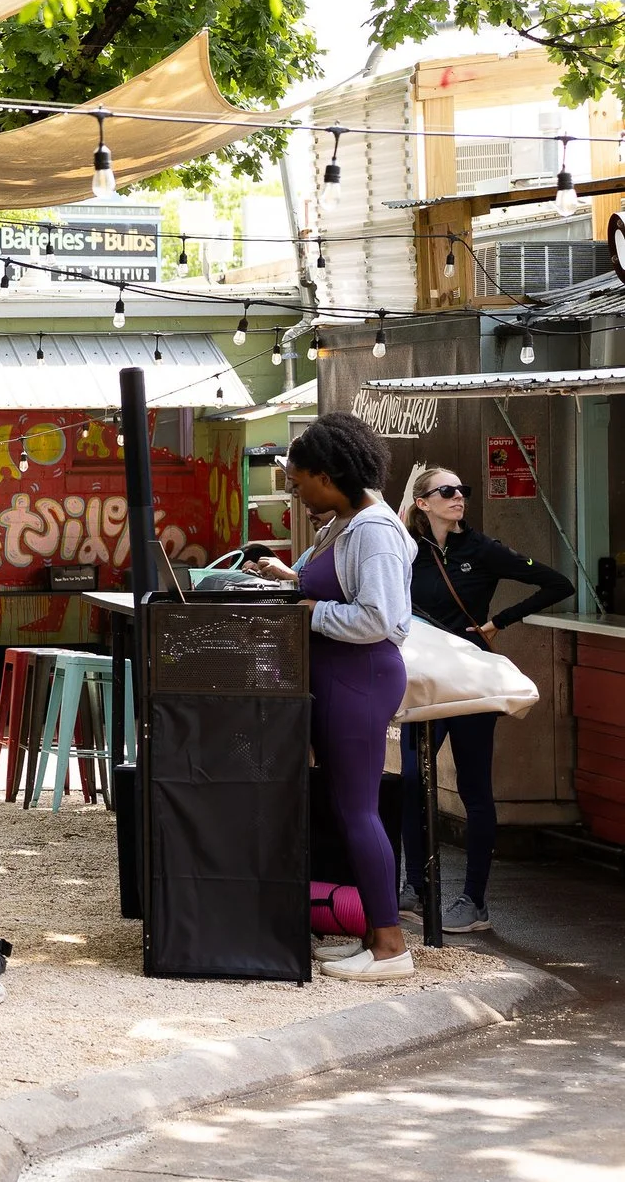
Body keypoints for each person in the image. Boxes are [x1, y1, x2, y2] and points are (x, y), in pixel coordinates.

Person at [244, 413, 418, 980]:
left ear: (329, 472)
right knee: (347, 809)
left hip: (360, 676)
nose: (295, 493)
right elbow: (325, 586)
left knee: (359, 810)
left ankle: (391, 946)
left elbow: (380, 618)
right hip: (342, 675)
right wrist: (290, 581)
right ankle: (372, 932)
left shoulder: (374, 530)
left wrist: (309, 610)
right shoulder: (343, 523)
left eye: (299, 482)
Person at [397, 462, 573, 932]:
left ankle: (473, 901)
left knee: (475, 788)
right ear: (422, 502)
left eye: (463, 490)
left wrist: (499, 622)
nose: (459, 496)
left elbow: (558, 584)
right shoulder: (407, 549)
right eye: (447, 490)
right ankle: (415, 887)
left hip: (470, 683)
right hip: (422, 683)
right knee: (411, 781)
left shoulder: (483, 549)